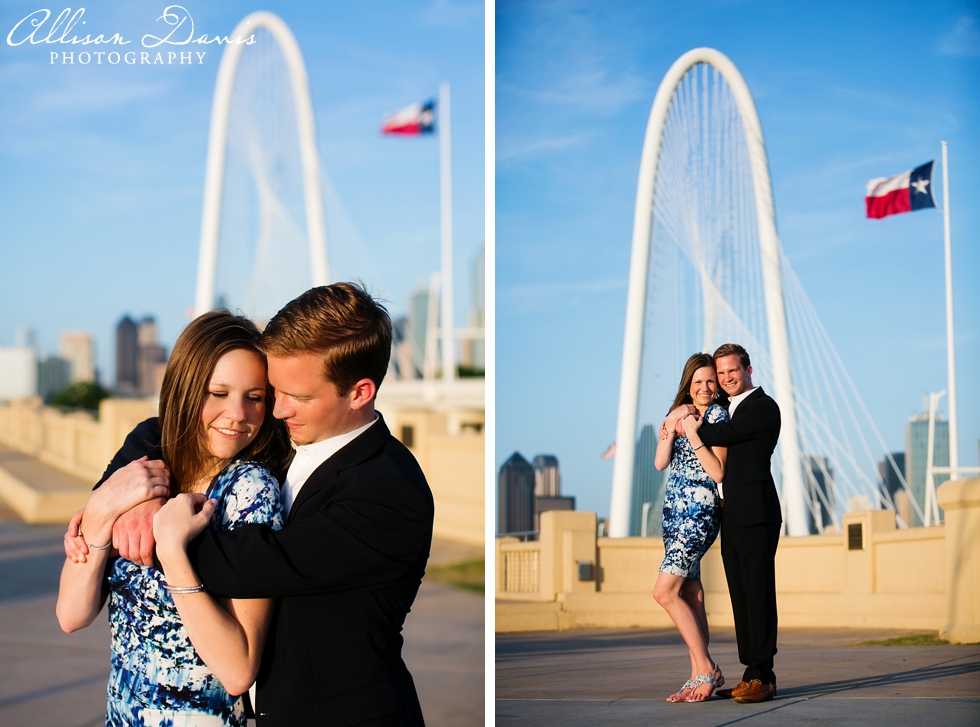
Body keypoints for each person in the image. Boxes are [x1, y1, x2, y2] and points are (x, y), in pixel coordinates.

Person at [67, 283, 434, 726]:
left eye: (295, 397)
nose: (275, 411)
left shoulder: (388, 490)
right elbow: (172, 429)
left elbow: (252, 562)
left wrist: (147, 523)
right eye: (273, 391)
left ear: (359, 393)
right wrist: (123, 500)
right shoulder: (287, 432)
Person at [57, 311, 293, 726]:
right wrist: (99, 514)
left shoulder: (248, 490)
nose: (238, 414)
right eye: (217, 393)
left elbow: (238, 671)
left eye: (254, 397)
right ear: (184, 391)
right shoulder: (140, 476)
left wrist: (172, 550)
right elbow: (71, 615)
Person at [672, 343, 781, 704]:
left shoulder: (763, 407)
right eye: (720, 373)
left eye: (732, 371)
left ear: (748, 370)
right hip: (730, 514)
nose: (726, 378)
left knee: (759, 593)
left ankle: (764, 677)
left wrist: (685, 420)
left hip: (757, 513)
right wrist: (690, 411)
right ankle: (749, 672)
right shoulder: (724, 410)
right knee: (741, 597)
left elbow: (721, 436)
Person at [654, 353, 729, 702]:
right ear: (688, 384)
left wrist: (695, 433)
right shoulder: (681, 413)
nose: (704, 387)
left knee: (664, 592)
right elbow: (659, 463)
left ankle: (707, 668)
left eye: (710, 381)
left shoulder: (717, 416)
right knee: (689, 593)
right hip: (673, 514)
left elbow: (717, 472)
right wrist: (673, 419)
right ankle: (696, 675)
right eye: (698, 381)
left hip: (699, 513)